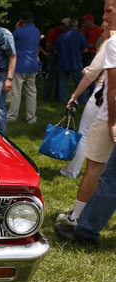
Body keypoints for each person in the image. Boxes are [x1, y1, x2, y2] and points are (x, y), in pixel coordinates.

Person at [55, 0, 116, 247]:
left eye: (109, 11)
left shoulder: (112, 43)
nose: (104, 18)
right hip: (105, 111)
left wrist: (112, 122)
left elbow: (109, 85)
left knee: (101, 173)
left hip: (106, 114)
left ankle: (81, 221)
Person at [60, 24, 114, 179]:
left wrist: (74, 95)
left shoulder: (109, 45)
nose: (101, 32)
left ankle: (70, 171)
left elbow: (90, 76)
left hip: (101, 93)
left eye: (104, 29)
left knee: (84, 134)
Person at [7, 11, 40, 124]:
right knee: (31, 92)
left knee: (15, 92)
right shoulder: (37, 31)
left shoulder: (18, 31)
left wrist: (16, 28)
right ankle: (31, 117)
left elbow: (10, 42)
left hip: (19, 65)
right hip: (32, 65)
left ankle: (12, 116)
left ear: (22, 20)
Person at [55, 18, 89, 105]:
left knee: (62, 84)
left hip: (62, 63)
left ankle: (63, 101)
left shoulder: (61, 36)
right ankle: (83, 101)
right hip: (75, 62)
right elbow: (85, 49)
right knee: (80, 83)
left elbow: (56, 50)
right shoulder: (80, 36)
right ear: (76, 26)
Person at [42, 20, 68, 101]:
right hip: (53, 56)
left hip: (60, 57)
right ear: (61, 25)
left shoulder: (63, 33)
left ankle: (57, 97)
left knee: (59, 78)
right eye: (65, 27)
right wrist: (55, 50)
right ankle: (46, 97)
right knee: (51, 77)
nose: (66, 29)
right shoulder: (53, 32)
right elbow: (48, 46)